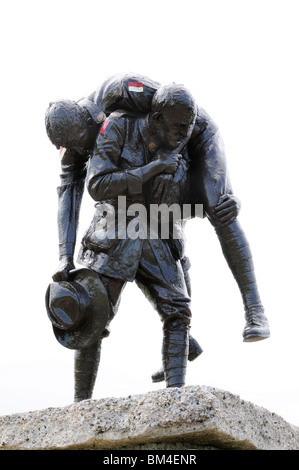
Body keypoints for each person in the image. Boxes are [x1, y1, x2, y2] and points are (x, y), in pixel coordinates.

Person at [45, 74, 270, 398]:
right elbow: (70, 192)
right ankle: (180, 335)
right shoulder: (81, 140)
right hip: (145, 197)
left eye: (85, 142)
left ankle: (254, 308)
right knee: (159, 230)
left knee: (218, 205)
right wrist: (65, 257)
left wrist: (173, 162)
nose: (85, 152)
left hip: (195, 130)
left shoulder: (123, 92)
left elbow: (178, 112)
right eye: (77, 149)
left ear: (91, 120)